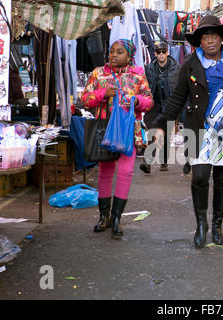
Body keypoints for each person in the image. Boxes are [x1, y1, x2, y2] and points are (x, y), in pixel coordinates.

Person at [152, 15, 223, 248]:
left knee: (222, 179)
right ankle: (201, 223)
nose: (209, 41)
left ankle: (217, 225)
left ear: (221, 39)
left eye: (214, 36)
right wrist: (160, 124)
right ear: (199, 42)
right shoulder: (190, 64)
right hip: (200, 128)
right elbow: (177, 98)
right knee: (200, 177)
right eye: (204, 37)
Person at [81, 39, 153, 239]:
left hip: (128, 131)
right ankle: (103, 217)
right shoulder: (98, 73)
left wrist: (137, 100)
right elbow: (85, 99)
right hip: (104, 129)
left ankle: (116, 218)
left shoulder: (138, 74)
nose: (113, 55)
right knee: (105, 171)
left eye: (119, 52)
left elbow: (149, 101)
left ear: (129, 56)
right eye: (111, 51)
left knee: (126, 171)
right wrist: (103, 93)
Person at [141, 41, 180, 173]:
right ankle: (148, 162)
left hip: (169, 104)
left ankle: (164, 161)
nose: (161, 54)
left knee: (167, 133)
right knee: (152, 131)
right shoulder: (150, 68)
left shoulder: (176, 68)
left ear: (167, 52)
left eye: (164, 51)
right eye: (159, 52)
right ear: (155, 54)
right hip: (154, 103)